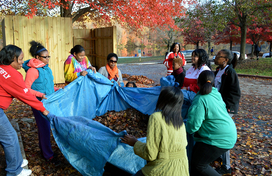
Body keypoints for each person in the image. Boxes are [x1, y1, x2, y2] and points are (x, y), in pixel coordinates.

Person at [0, 45, 51, 176]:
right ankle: (14, 171)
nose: (23, 62)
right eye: (21, 59)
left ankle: (16, 161)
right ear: (12, 59)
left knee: (10, 135)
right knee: (10, 138)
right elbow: (25, 94)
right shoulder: (13, 74)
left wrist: (40, 94)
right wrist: (43, 109)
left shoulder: (2, 68)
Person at [121, 86, 189, 176]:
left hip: (164, 169)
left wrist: (135, 143)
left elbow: (150, 154)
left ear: (162, 100)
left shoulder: (156, 117)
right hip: (182, 168)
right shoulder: (180, 121)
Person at [186, 70, 237, 176]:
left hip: (219, 138)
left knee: (199, 164)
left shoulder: (201, 99)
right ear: (213, 82)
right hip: (229, 132)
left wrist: (184, 128)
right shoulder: (216, 94)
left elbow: (193, 126)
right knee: (197, 158)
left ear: (198, 83)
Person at [22, 41, 60, 166]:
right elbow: (26, 89)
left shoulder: (46, 68)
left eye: (48, 56)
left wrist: (56, 90)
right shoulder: (33, 71)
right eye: (45, 57)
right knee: (44, 128)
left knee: (49, 126)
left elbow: (47, 86)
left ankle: (49, 150)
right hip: (38, 103)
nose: (48, 59)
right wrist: (40, 95)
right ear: (37, 57)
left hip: (49, 101)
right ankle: (47, 155)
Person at [214, 49, 241, 174]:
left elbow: (235, 93)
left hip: (226, 109)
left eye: (218, 56)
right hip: (219, 108)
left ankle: (227, 166)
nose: (215, 57)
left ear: (225, 60)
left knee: (222, 135)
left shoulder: (230, 72)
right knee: (216, 131)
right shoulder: (219, 71)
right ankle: (219, 156)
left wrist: (227, 108)